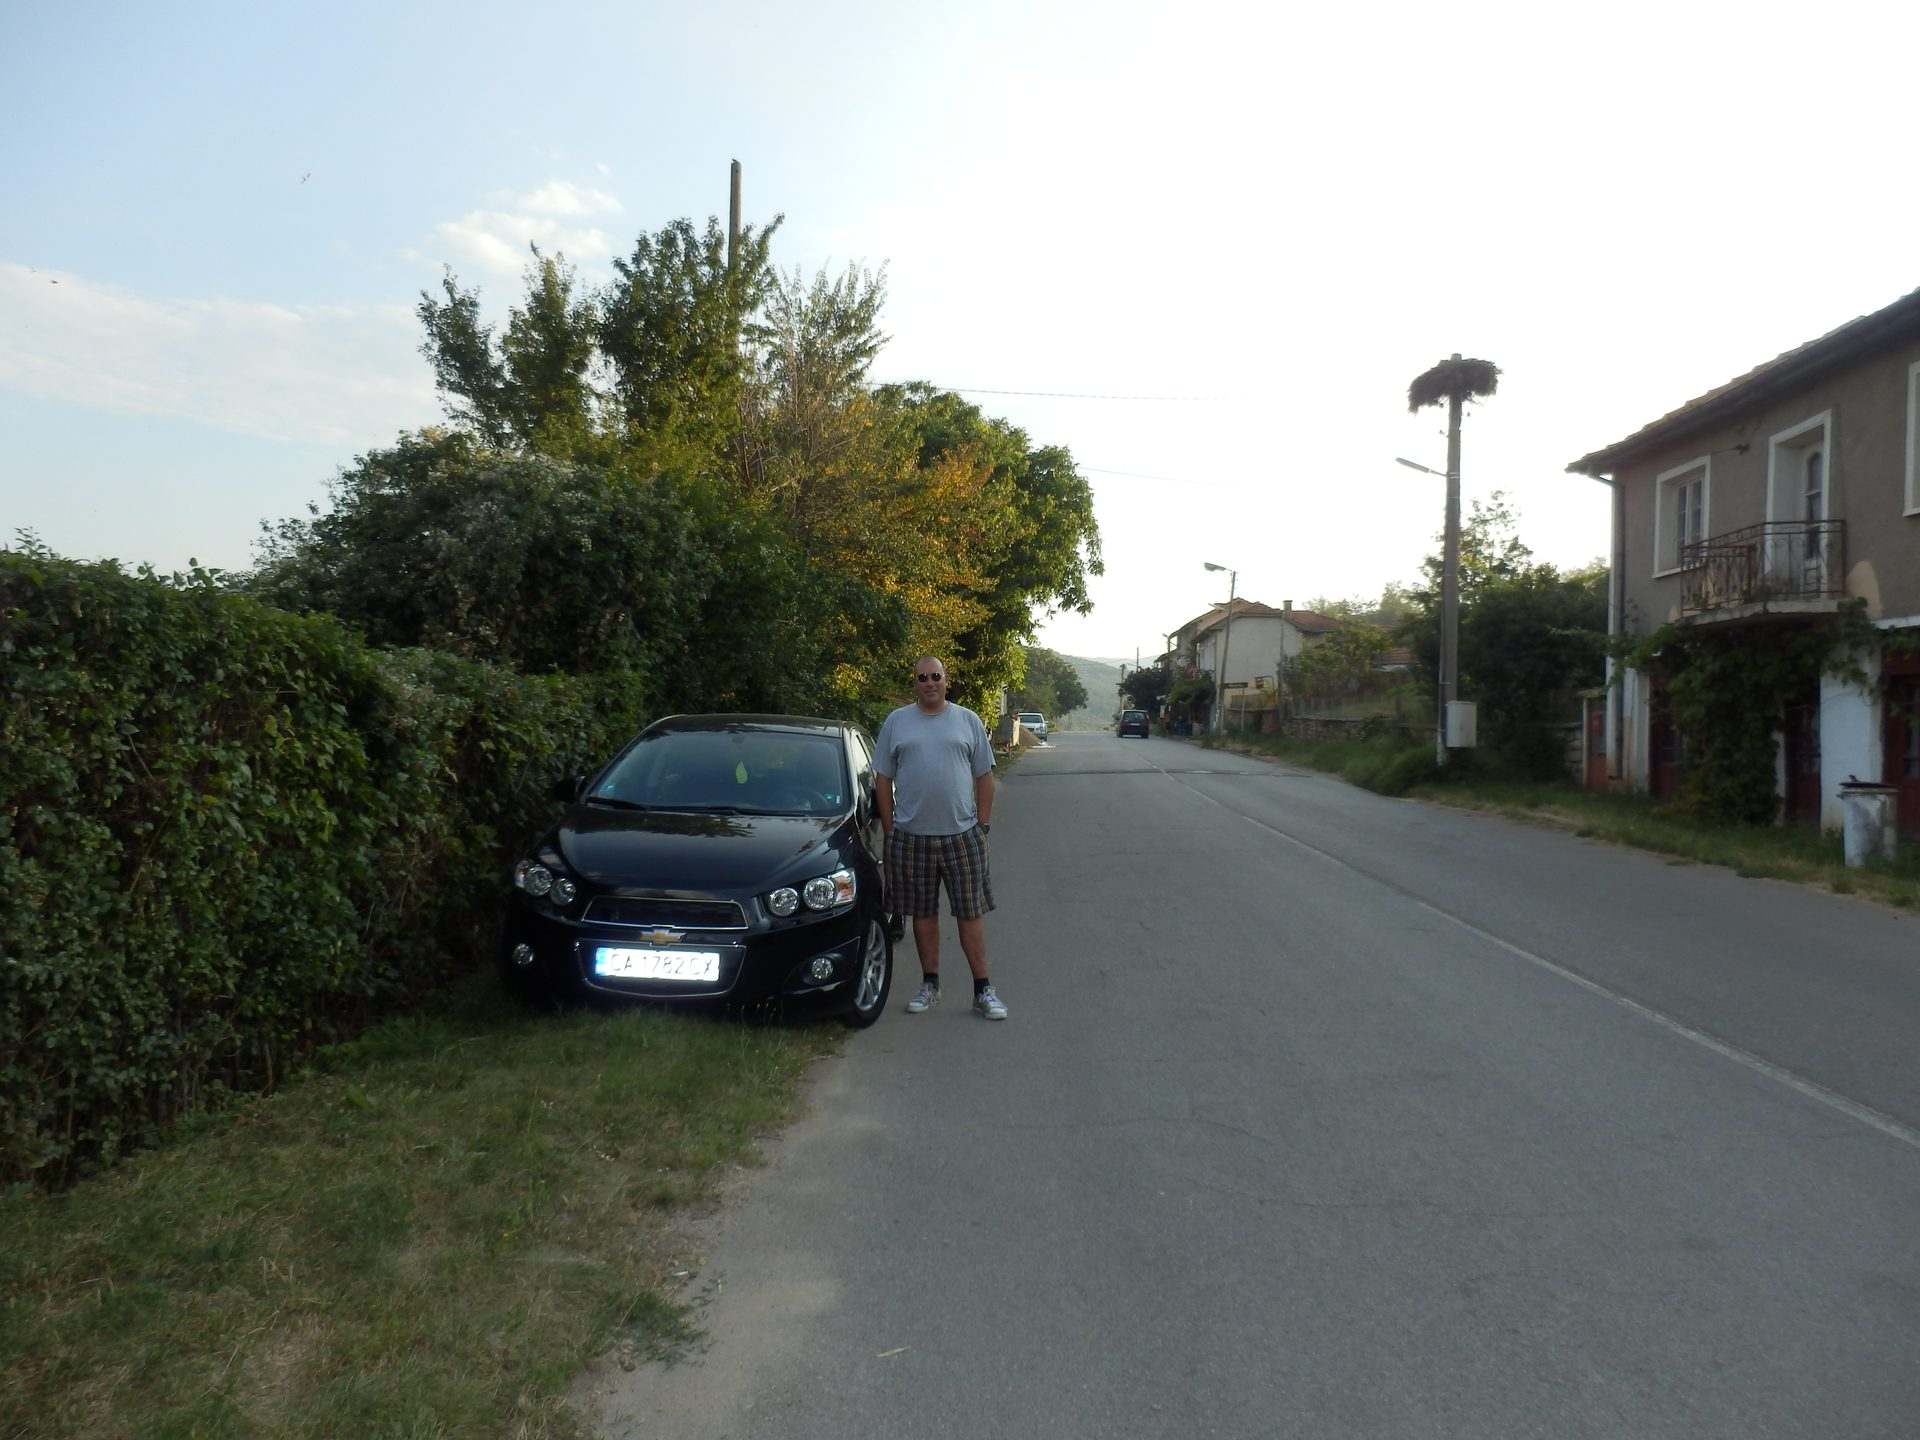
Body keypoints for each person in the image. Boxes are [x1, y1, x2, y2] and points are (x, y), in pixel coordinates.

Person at [872, 656, 1006, 1021]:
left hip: (962, 836)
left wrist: (983, 825)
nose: (929, 682)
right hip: (911, 837)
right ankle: (929, 985)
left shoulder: (967, 720)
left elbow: (984, 776)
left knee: (970, 913)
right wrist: (890, 828)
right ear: (914, 683)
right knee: (923, 913)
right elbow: (883, 779)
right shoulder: (896, 722)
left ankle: (983, 990)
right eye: (922, 678)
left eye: (935, 676)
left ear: (946, 680)